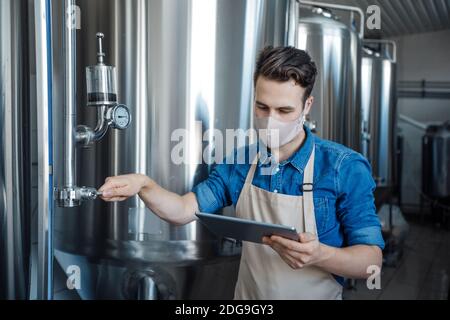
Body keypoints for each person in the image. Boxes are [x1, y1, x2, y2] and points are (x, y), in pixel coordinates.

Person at [99, 46, 384, 300]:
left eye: (284, 110)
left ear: (307, 106)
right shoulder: (241, 161)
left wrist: (320, 255)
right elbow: (184, 209)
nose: (271, 120)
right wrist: (144, 184)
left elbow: (371, 262)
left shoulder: (343, 167)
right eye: (262, 107)